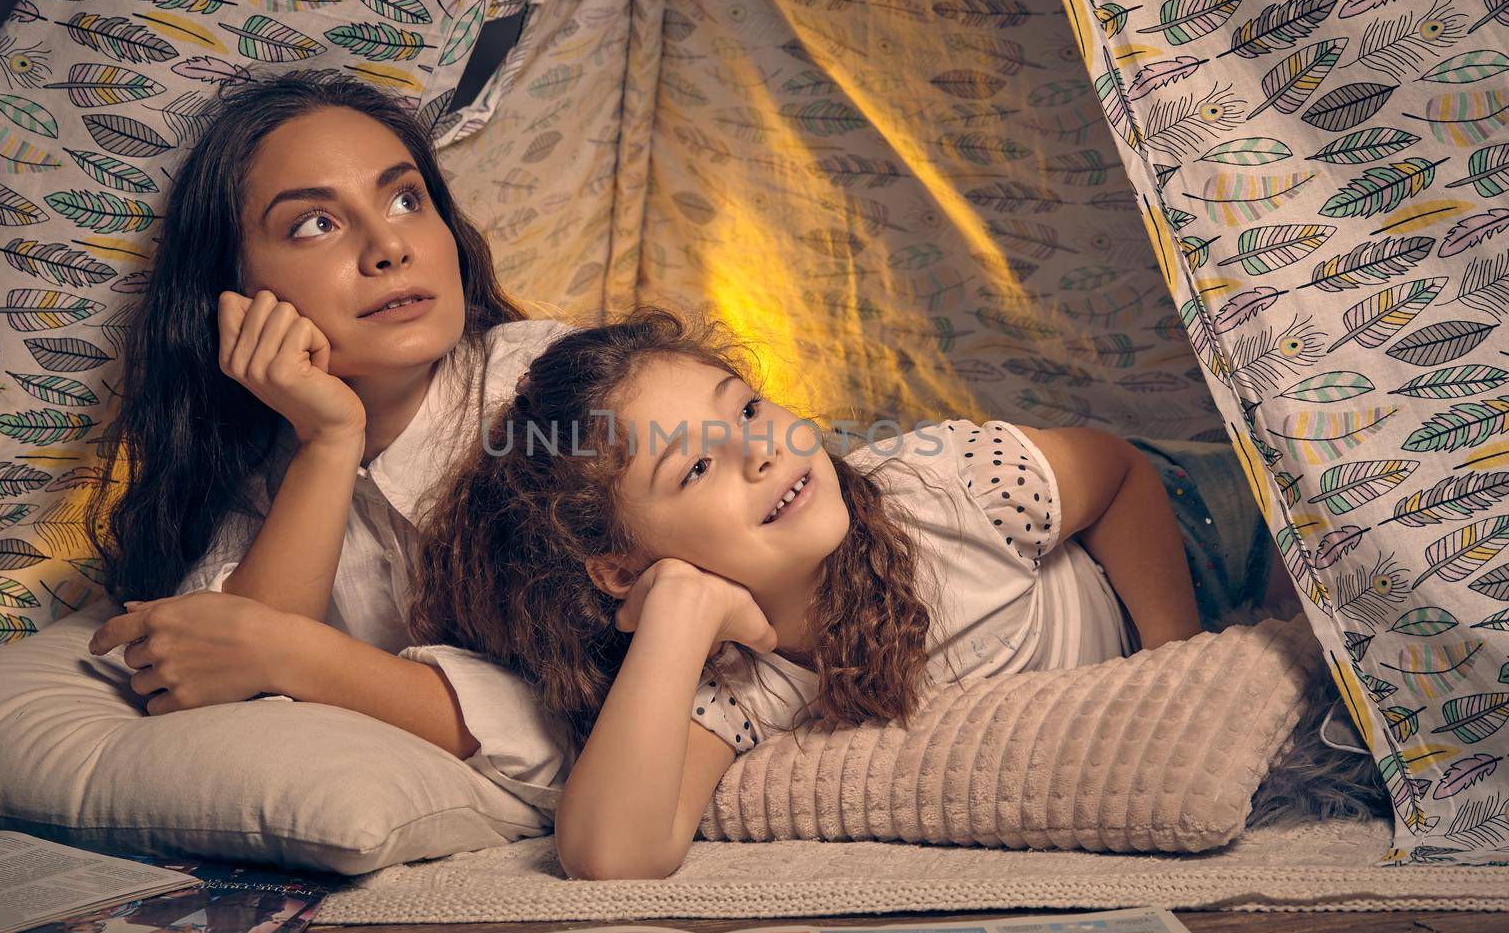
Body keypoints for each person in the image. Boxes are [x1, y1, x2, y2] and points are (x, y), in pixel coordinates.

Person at [408, 308, 1296, 878]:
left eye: (747, 409)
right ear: (622, 567)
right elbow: (611, 854)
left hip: (1193, 521)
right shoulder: (738, 677)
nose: (761, 449)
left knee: (1325, 508)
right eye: (699, 466)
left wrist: (1175, 662)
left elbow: (1116, 473)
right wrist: (677, 614)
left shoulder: (948, 490)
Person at [84, 72, 568, 801]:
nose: (388, 247)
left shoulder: (558, 385)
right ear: (235, 294)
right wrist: (329, 439)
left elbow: (585, 729)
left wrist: (296, 656)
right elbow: (217, 697)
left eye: (407, 199)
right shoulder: (265, 471)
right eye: (316, 223)